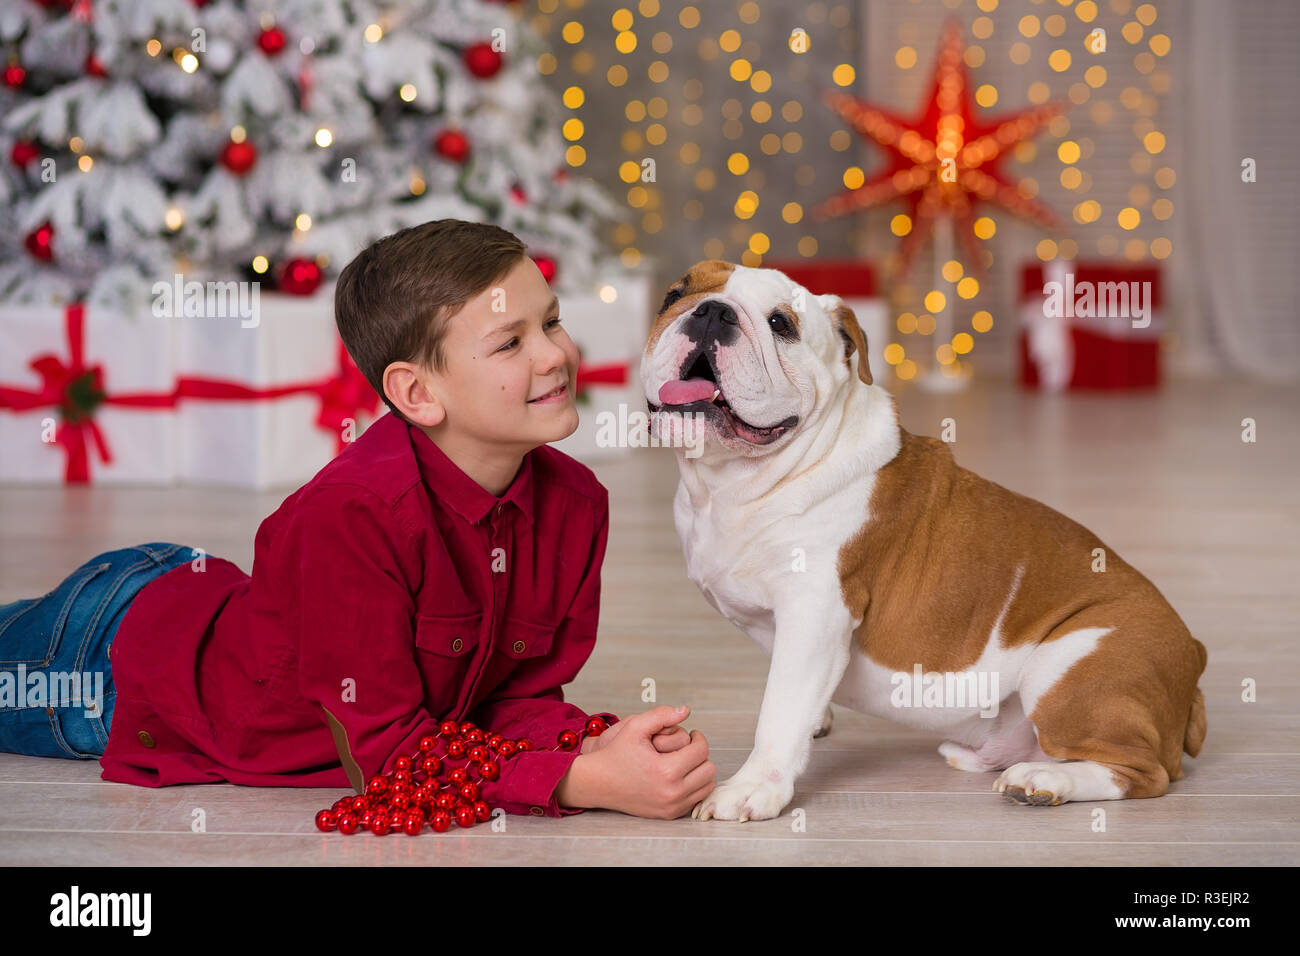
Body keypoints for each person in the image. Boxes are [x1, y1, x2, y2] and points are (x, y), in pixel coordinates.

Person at [0, 219, 716, 821]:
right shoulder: (352, 517)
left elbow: (509, 699)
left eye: (552, 321)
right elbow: (389, 761)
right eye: (510, 342)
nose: (556, 354)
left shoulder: (575, 502)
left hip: (192, 593)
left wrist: (591, 747)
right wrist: (578, 782)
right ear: (416, 392)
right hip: (108, 658)